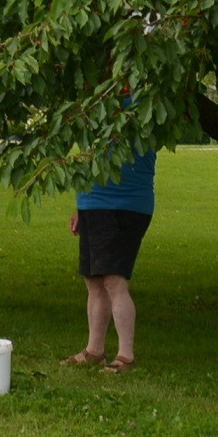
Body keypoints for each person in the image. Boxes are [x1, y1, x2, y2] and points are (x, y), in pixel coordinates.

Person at [67, 147, 154, 372]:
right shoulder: (89, 111)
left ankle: (126, 356)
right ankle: (94, 351)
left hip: (123, 203)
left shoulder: (142, 111)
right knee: (94, 280)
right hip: (92, 203)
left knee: (114, 280)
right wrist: (80, 206)